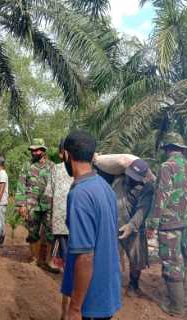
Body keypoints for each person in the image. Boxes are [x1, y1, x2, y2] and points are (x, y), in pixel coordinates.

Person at [61, 130, 122, 320]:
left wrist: (75, 308)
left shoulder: (80, 195)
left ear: (67, 155)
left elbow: (85, 256)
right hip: (107, 292)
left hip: (90, 300)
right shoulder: (104, 187)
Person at [146, 132, 187, 316]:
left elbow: (161, 195)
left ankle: (176, 307)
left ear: (167, 148)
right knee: (184, 259)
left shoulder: (166, 167)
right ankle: (179, 298)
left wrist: (152, 223)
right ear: (181, 149)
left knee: (171, 261)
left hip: (171, 223)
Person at [15, 138, 56, 270]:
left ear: (43, 150)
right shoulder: (27, 165)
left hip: (49, 204)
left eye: (37, 149)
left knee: (50, 233)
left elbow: (57, 186)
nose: (34, 152)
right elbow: (21, 184)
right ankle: (34, 259)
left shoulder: (52, 166)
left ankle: (48, 261)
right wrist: (21, 205)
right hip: (31, 205)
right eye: (32, 150)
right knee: (32, 232)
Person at [116, 159, 155, 297]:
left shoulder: (147, 188)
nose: (130, 179)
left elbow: (142, 210)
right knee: (112, 254)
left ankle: (134, 284)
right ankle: (113, 282)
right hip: (115, 221)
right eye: (130, 175)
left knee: (136, 257)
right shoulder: (119, 179)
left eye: (134, 178)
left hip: (134, 225)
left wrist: (131, 226)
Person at [51, 140, 73, 319]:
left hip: (61, 220)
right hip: (74, 221)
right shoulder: (81, 170)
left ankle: (66, 311)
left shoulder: (56, 169)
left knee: (67, 259)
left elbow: (50, 193)